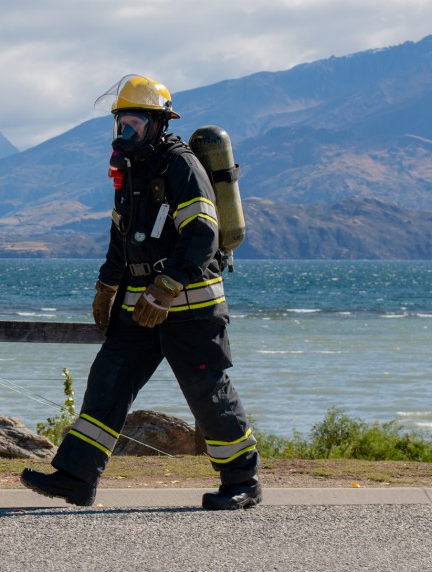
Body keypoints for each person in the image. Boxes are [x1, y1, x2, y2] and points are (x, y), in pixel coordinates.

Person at [20, 74, 261, 510]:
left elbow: (203, 234)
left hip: (191, 307)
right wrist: (107, 284)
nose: (124, 133)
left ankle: (242, 482)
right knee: (108, 381)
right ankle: (76, 476)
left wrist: (166, 287)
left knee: (208, 392)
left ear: (158, 123)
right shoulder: (131, 172)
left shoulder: (181, 166)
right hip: (138, 307)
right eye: (120, 123)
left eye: (133, 123)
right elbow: (122, 236)